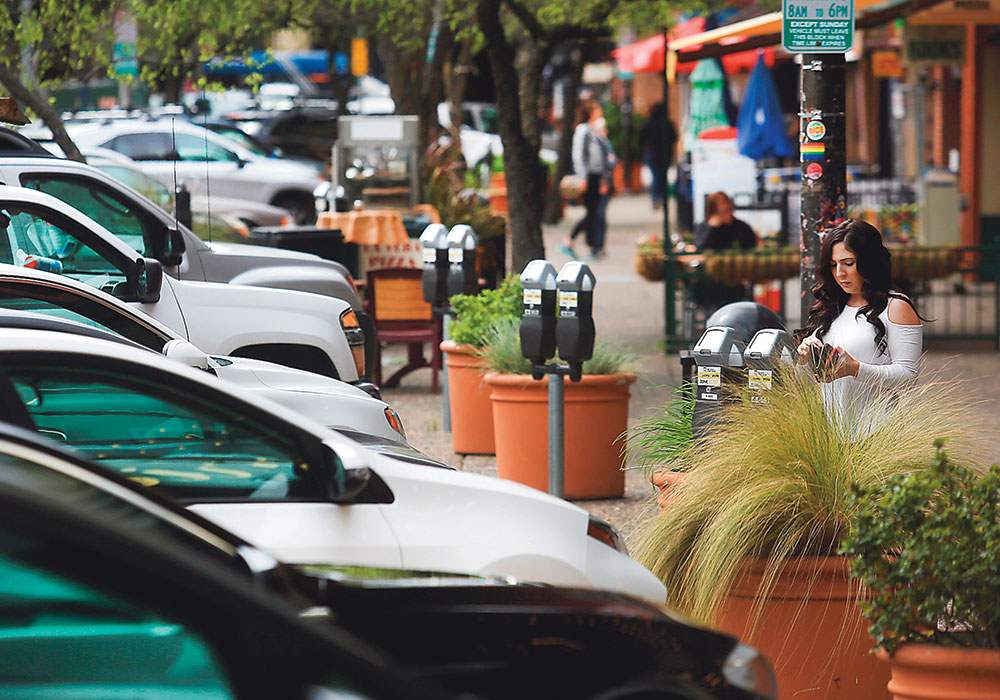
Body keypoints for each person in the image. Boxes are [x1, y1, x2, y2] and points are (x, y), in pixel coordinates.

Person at [795, 219, 925, 431]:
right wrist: (804, 358)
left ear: (869, 262)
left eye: (848, 263)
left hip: (876, 434)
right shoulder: (830, 307)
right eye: (833, 264)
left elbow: (908, 377)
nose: (839, 273)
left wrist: (855, 368)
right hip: (828, 435)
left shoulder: (896, 306)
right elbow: (807, 382)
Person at [561, 101, 614, 260]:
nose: (600, 112)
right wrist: (583, 177)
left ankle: (581, 244)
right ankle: (581, 244)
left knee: (594, 212)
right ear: (590, 112)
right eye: (597, 109)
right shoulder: (583, 130)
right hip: (589, 177)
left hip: (597, 176)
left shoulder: (595, 130)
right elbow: (579, 155)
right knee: (593, 212)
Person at [639, 102, 677, 211]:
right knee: (662, 177)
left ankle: (656, 199)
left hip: (652, 153)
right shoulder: (667, 123)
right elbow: (674, 138)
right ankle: (662, 199)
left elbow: (642, 139)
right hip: (664, 154)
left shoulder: (648, 123)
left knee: (656, 177)